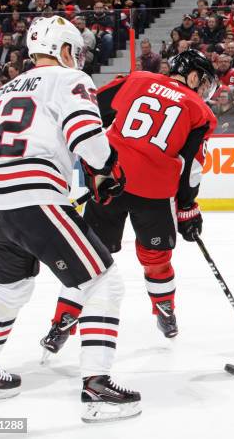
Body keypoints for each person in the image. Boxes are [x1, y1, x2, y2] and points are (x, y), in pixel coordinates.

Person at [0, 15, 139, 423]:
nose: (76, 59)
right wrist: (107, 170)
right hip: (32, 195)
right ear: (62, 49)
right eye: (73, 51)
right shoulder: (67, 79)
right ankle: (97, 388)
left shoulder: (4, 88)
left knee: (11, 290)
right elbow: (87, 140)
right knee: (102, 282)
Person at [39, 49, 217, 360]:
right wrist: (188, 207)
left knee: (89, 260)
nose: (204, 89)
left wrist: (93, 169)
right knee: (156, 258)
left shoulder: (137, 80)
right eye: (203, 81)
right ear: (191, 74)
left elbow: (90, 113)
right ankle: (165, 310)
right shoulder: (200, 111)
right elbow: (191, 167)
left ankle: (63, 321)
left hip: (110, 182)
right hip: (155, 193)